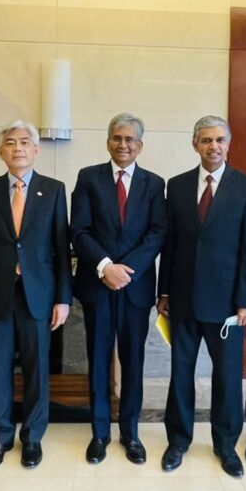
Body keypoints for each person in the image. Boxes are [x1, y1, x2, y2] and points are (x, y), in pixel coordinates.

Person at [157, 115, 246, 478]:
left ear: (228, 144)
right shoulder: (177, 185)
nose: (213, 146)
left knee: (228, 377)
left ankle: (226, 445)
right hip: (183, 299)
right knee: (181, 373)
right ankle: (178, 441)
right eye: (206, 140)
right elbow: (170, 244)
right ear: (195, 145)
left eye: (220, 140)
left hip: (228, 304)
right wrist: (164, 291)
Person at [0, 120, 72, 469]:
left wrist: (63, 298)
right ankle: (0, 436)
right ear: (0, 152)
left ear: (36, 150)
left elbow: (61, 248)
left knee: (36, 367)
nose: (18, 148)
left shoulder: (53, 190)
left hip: (38, 294)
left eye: (25, 142)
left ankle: (32, 437)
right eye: (10, 143)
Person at [70, 113, 166, 465]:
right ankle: (100, 433)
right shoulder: (88, 177)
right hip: (97, 285)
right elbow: (78, 230)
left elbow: (157, 232)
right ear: (108, 141)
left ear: (140, 145)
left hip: (135, 288)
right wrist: (104, 267)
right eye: (117, 138)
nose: (123, 145)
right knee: (97, 361)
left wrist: (126, 271)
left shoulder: (154, 183)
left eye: (130, 140)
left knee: (133, 361)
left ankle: (130, 433)